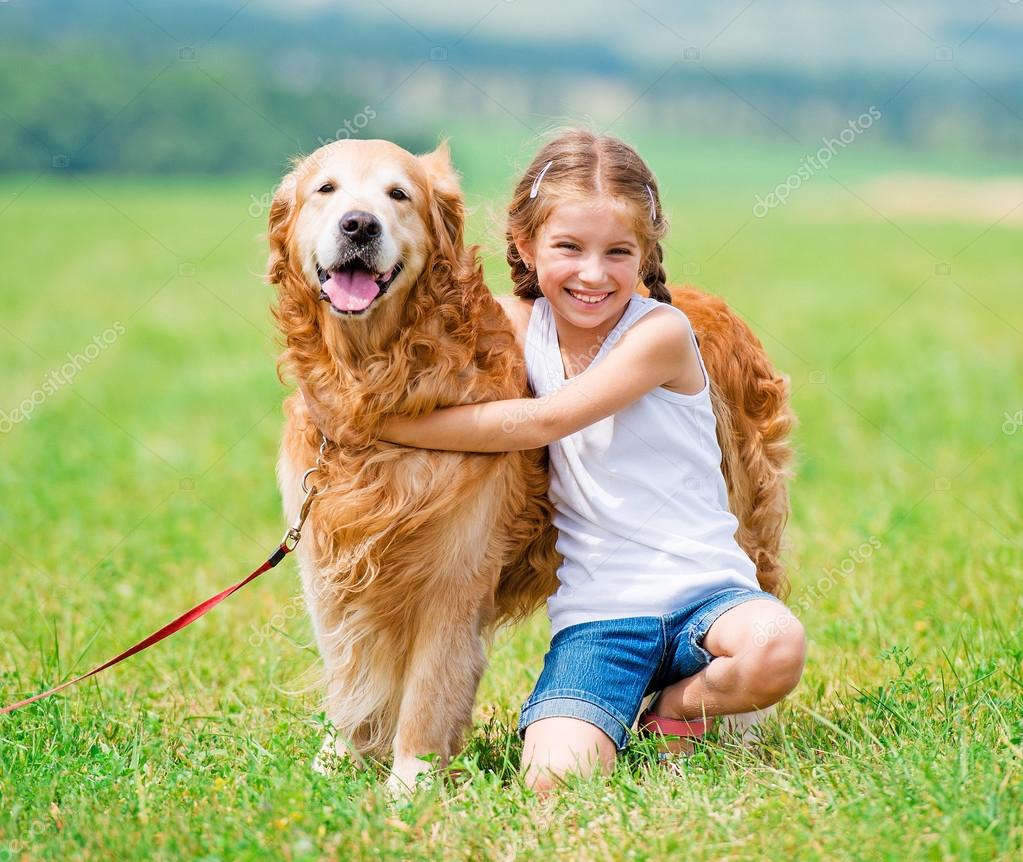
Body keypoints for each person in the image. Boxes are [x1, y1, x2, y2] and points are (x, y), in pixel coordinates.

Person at [379, 129, 806, 792]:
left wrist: (397, 426)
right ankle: (594, 717)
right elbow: (426, 324)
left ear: (645, 252)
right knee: (555, 782)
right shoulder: (519, 325)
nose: (591, 273)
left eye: (617, 252)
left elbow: (545, 420)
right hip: (598, 621)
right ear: (523, 246)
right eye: (567, 248)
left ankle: (675, 707)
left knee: (777, 646)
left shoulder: (660, 332)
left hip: (708, 599)